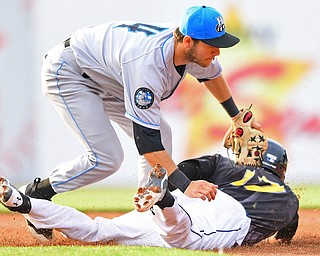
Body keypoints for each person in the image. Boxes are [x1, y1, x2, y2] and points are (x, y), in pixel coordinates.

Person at [20, 5, 261, 240]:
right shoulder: (149, 65)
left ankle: (150, 205)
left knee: (163, 133)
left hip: (107, 76)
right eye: (212, 46)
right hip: (69, 71)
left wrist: (236, 116)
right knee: (107, 158)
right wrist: (185, 185)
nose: (217, 51)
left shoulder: (190, 49)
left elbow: (213, 75)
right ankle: (38, 193)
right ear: (188, 41)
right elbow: (147, 144)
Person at [0, 139, 299, 249]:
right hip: (228, 213)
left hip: (191, 195)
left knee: (101, 230)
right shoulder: (288, 198)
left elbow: (185, 167)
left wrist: (178, 186)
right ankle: (162, 200)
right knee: (183, 238)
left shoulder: (224, 163)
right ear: (280, 168)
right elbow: (288, 229)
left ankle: (26, 203)